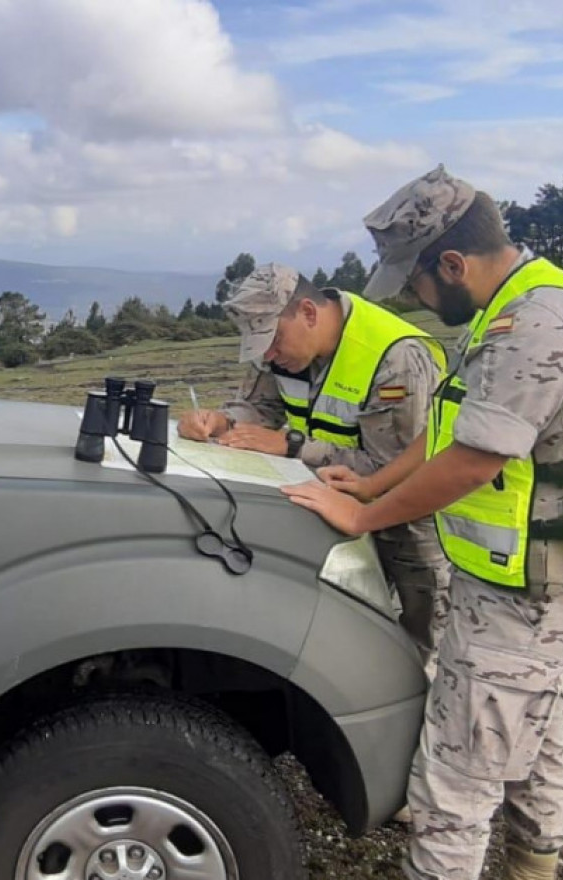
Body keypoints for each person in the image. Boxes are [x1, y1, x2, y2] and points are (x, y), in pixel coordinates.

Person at [282, 165, 563, 880]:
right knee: (535, 728)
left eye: (414, 282)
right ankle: (531, 872)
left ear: (451, 263)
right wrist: (374, 480)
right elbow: (453, 429)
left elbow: (474, 460)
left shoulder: (537, 324)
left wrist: (365, 514)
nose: (412, 298)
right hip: (519, 576)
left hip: (535, 586)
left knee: (456, 774)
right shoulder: (503, 311)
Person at [178, 263, 451, 670]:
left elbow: (392, 468)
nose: (267, 355)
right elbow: (260, 408)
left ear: (308, 312)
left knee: (422, 649)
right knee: (347, 640)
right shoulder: (280, 353)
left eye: (272, 341)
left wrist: (291, 447)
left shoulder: (396, 358)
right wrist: (221, 421)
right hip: (331, 513)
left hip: (411, 525)